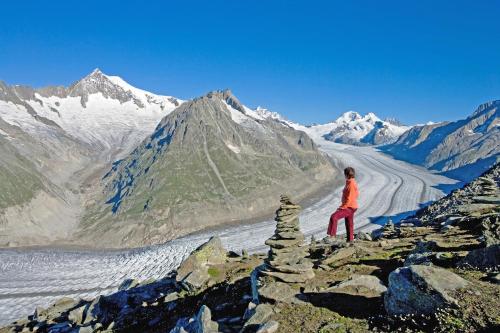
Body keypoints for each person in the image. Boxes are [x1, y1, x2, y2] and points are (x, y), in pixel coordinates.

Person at [327, 167, 359, 242]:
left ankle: (332, 236)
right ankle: (350, 240)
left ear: (347, 174)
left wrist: (342, 207)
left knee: (334, 216)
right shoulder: (350, 182)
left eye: (345, 174)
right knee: (349, 223)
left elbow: (349, 198)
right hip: (352, 206)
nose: (344, 175)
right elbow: (356, 194)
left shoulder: (351, 184)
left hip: (349, 207)